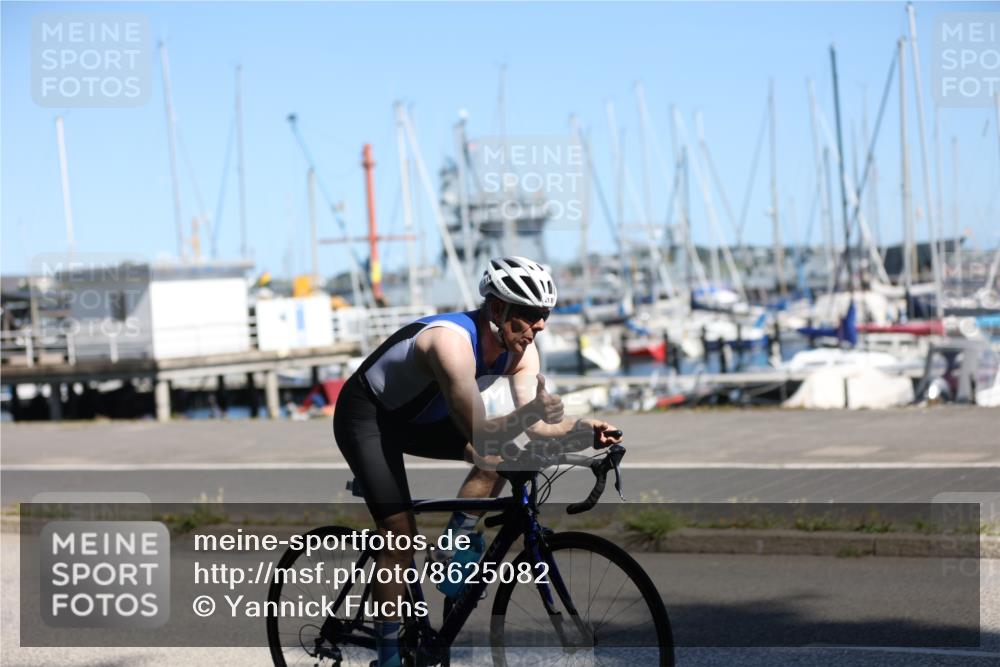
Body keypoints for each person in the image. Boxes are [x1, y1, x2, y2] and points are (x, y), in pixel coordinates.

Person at [333, 256, 622, 667]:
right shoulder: (449, 344)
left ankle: (453, 547)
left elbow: (535, 427)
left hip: (421, 420)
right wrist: (533, 413)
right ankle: (388, 656)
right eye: (531, 315)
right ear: (499, 309)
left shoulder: (522, 351)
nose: (540, 326)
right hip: (368, 418)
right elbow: (483, 433)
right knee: (399, 539)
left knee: (498, 459)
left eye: (545, 316)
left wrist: (583, 430)